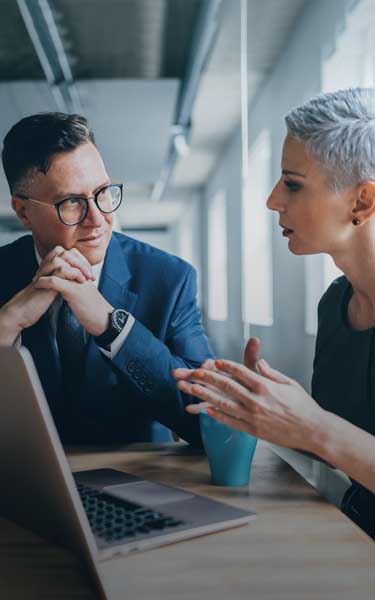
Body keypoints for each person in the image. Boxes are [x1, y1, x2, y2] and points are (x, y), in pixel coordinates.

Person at [174, 87, 375, 537]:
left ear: (361, 202)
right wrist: (261, 408)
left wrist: (312, 426)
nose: (271, 201)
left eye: (292, 184)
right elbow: (341, 452)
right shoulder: (335, 305)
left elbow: (327, 436)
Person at [0, 112, 213, 446]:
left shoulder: (170, 279)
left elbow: (207, 419)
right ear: (23, 212)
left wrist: (113, 327)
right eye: (72, 202)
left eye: (102, 192)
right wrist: (7, 324)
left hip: (138, 482)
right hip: (21, 485)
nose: (98, 219)